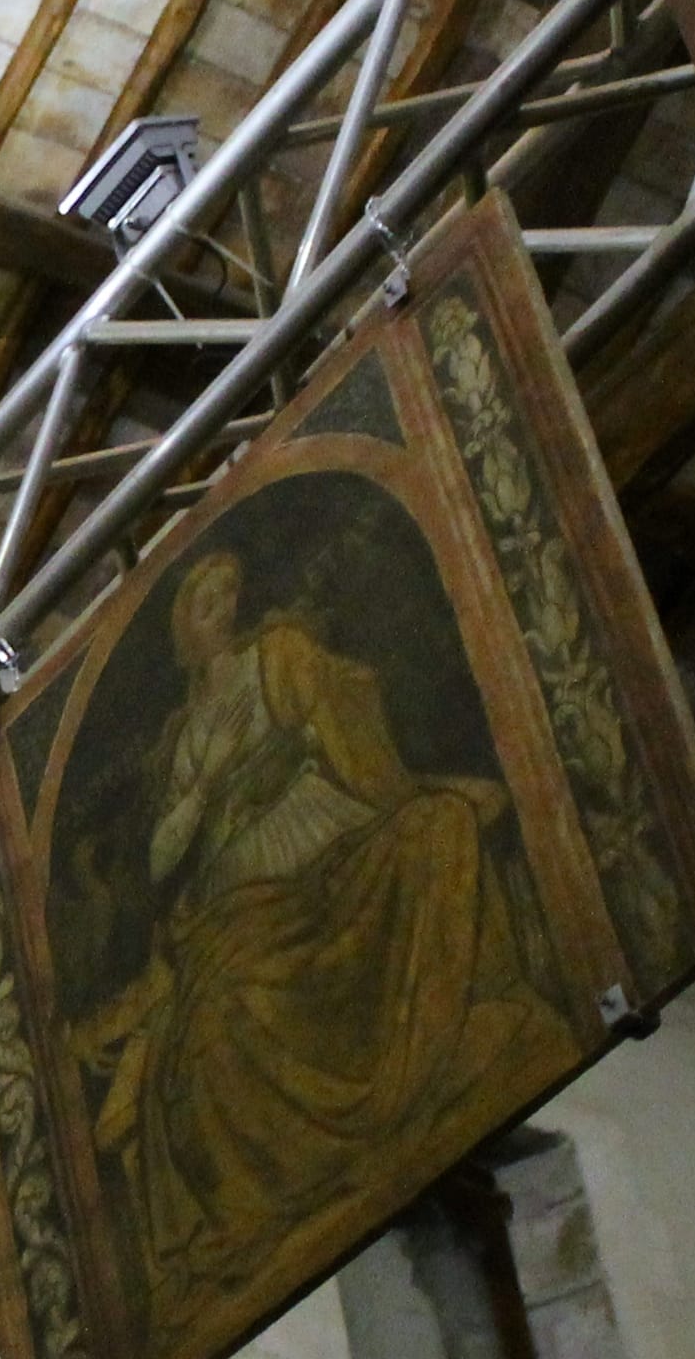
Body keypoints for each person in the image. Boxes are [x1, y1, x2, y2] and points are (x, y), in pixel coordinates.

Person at [67, 549, 579, 1282]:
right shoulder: (183, 736)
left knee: (435, 830)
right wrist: (208, 787)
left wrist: (320, 712)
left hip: (323, 823)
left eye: (230, 593)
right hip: (241, 877)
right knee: (225, 1004)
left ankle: (461, 1029)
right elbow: (160, 859)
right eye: (207, 604)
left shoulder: (276, 656)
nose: (225, 611)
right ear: (186, 632)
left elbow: (343, 717)